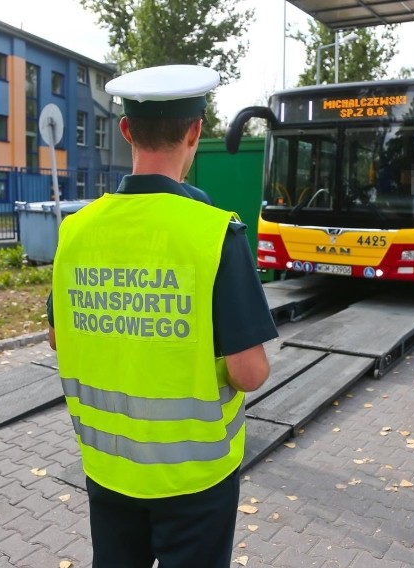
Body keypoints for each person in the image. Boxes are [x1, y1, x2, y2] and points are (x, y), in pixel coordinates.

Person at [47, 64, 277, 568]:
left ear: (126, 131)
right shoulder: (216, 234)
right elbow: (250, 372)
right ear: (196, 131)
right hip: (194, 479)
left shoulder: (75, 231)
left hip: (108, 469)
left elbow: (58, 339)